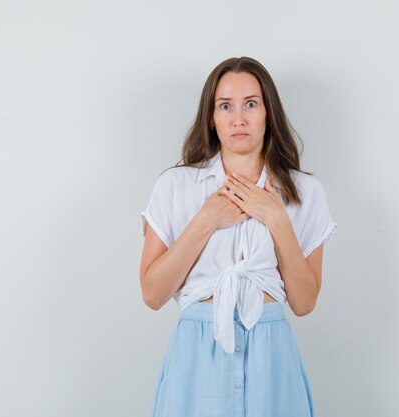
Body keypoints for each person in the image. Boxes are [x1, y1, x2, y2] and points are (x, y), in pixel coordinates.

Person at [139, 56, 337, 417]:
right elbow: (153, 294)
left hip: (272, 356)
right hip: (197, 355)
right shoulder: (175, 186)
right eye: (225, 106)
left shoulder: (306, 192)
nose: (239, 118)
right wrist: (206, 220)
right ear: (211, 119)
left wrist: (276, 218)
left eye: (251, 104)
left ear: (267, 113)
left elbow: (304, 302)